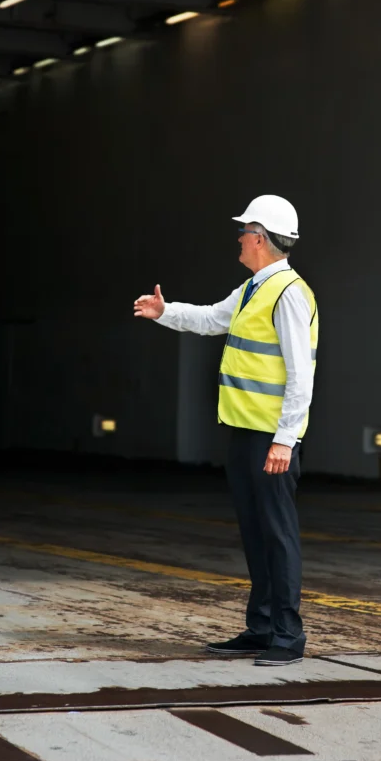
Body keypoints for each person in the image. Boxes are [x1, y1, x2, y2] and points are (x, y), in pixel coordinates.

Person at [133, 195, 318, 666]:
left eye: (243, 231)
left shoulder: (288, 293)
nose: (238, 238)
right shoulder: (255, 287)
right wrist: (166, 311)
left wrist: (285, 438)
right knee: (256, 535)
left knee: (278, 535)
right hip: (245, 433)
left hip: (271, 438)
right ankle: (261, 629)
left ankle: (287, 637)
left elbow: (301, 375)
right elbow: (212, 318)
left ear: (260, 238)